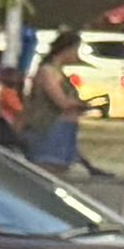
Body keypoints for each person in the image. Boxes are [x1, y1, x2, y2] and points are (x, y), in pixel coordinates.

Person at [21, 38, 89, 171]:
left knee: (60, 168)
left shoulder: (59, 72)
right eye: (75, 50)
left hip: (64, 128)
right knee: (48, 168)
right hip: (50, 127)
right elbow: (60, 101)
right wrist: (79, 104)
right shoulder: (48, 71)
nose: (77, 55)